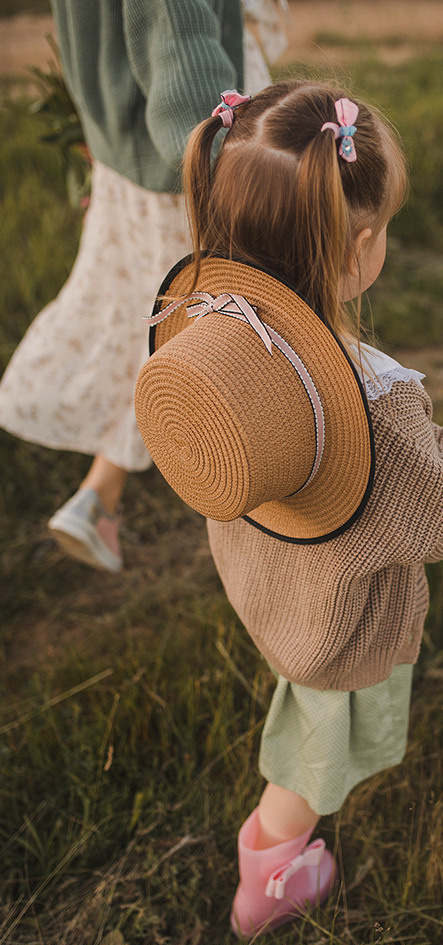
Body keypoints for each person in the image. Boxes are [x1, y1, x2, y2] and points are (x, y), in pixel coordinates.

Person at [134, 81, 443, 937]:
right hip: (338, 625)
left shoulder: (209, 331)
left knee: (306, 718)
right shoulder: (375, 400)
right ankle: (268, 879)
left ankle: (278, 854)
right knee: (312, 755)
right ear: (361, 245)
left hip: (268, 586)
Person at [0, 0, 287, 572]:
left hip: (127, 145)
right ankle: (271, 515)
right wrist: (221, 162)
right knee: (217, 330)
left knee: (142, 313)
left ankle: (98, 498)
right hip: (187, 159)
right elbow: (178, 39)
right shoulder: (203, 148)